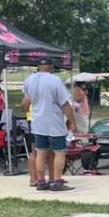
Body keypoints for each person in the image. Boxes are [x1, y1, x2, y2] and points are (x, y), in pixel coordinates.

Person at [22, 57, 77, 191]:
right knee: (59, 152)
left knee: (40, 152)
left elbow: (25, 103)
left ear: (38, 67)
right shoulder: (55, 80)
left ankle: (41, 182)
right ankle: (57, 181)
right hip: (54, 121)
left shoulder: (29, 80)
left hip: (37, 121)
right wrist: (73, 122)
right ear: (51, 67)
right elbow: (65, 104)